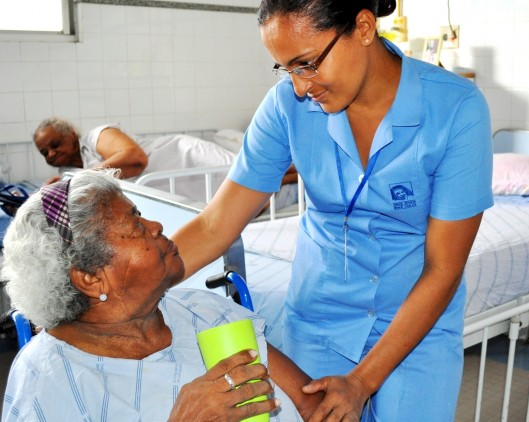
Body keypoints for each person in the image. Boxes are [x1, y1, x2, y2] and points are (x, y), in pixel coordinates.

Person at [171, 0, 493, 420]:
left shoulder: (455, 109)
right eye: (286, 69)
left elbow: (443, 268)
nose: (301, 87)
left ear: (362, 27)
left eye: (306, 63)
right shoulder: (287, 105)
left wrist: (362, 382)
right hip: (320, 321)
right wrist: (134, 285)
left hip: (415, 328)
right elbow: (216, 224)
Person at [0, 169, 322, 421]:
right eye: (135, 225)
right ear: (91, 278)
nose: (155, 225)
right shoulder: (48, 381)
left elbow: (314, 407)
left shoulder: (205, 312)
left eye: (141, 214)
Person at [32, 117, 299, 210]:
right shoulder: (71, 173)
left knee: (246, 172)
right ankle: (303, 174)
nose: (52, 155)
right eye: (45, 152)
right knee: (241, 190)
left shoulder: (96, 137)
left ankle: (306, 169)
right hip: (178, 186)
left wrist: (76, 181)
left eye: (55, 145)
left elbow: (135, 160)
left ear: (70, 136)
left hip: (184, 156)